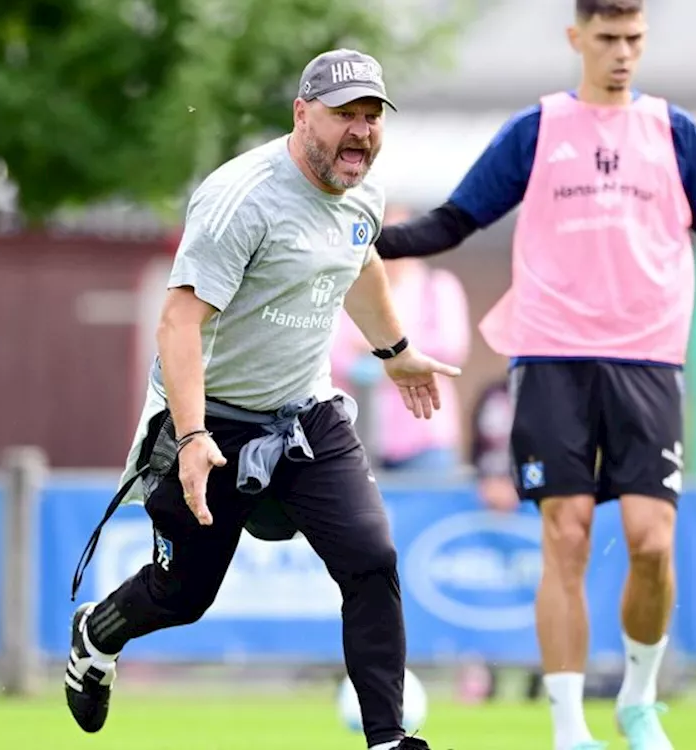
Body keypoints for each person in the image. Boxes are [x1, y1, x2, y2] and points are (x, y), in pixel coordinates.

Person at [374, 2, 696, 747]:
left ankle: (639, 699)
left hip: (649, 359)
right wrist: (369, 238)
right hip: (551, 355)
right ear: (577, 38)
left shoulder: (675, 133)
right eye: (609, 38)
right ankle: (566, 726)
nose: (623, 53)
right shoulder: (536, 130)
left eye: (635, 40)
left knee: (653, 540)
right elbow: (455, 222)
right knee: (568, 533)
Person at [63, 49, 460, 750]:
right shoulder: (240, 199)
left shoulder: (362, 190)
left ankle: (388, 740)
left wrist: (396, 354)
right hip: (210, 423)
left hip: (307, 415)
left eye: (372, 117)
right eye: (346, 115)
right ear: (302, 114)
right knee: (184, 595)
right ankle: (97, 634)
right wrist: (189, 437)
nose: (361, 132)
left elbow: (358, 261)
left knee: (371, 558)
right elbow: (178, 323)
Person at [331, 204, 471, 474]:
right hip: (359, 435)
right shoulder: (351, 288)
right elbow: (333, 352)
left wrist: (386, 347)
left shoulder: (437, 287)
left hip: (424, 440)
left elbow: (452, 347)